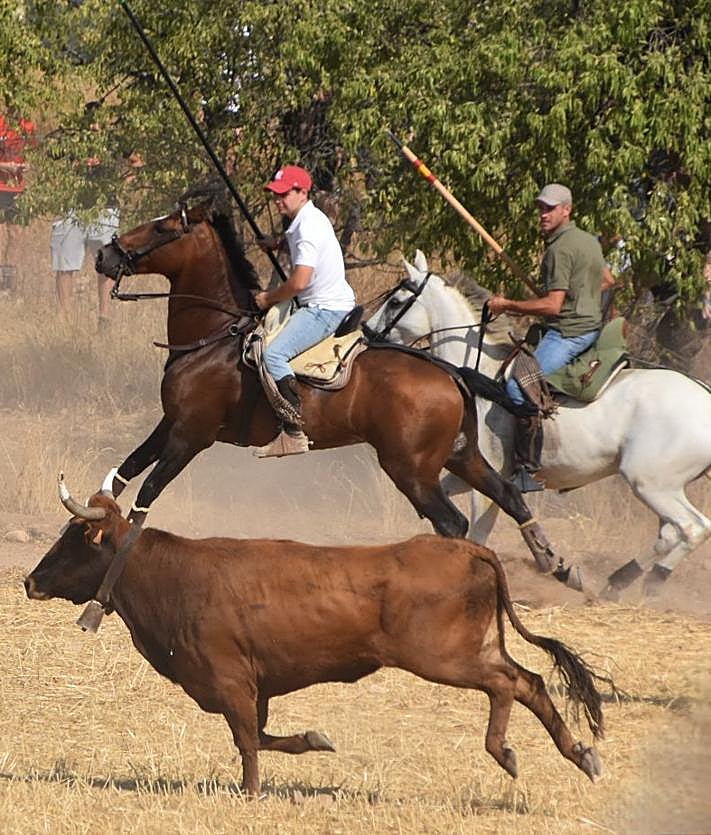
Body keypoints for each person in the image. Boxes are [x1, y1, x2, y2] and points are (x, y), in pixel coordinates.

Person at [487, 183, 605, 492]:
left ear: (567, 209)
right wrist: (581, 296)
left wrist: (507, 305)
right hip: (591, 326)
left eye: (550, 208)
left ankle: (526, 469)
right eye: (541, 207)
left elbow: (552, 305)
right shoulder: (588, 240)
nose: (543, 214)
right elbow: (607, 280)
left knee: (516, 388)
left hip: (569, 333)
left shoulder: (559, 248)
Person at [253, 164, 356, 457]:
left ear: (303, 192)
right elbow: (298, 243)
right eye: (276, 194)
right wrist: (277, 244)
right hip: (331, 302)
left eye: (284, 194)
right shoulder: (306, 219)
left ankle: (293, 431)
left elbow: (299, 282)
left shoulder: (307, 227)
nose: (278, 200)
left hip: (323, 310)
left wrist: (269, 298)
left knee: (273, 354)